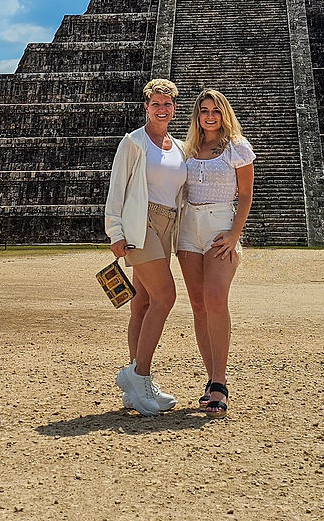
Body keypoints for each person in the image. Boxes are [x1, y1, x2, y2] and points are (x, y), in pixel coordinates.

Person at [105, 78, 187, 416]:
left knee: (141, 306)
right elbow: (117, 187)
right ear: (146, 107)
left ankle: (137, 387)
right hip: (142, 223)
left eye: (167, 104)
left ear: (174, 108)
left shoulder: (179, 146)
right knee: (166, 297)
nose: (162, 109)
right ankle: (138, 375)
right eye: (156, 104)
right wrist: (115, 232)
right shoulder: (133, 143)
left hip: (167, 225)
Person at [177, 89, 255, 418]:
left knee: (214, 299)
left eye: (216, 110)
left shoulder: (237, 147)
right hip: (188, 228)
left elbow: (247, 194)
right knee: (197, 305)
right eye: (204, 110)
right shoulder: (188, 149)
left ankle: (220, 382)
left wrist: (235, 235)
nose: (210, 116)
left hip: (219, 225)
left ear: (225, 113)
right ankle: (211, 379)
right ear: (197, 115)